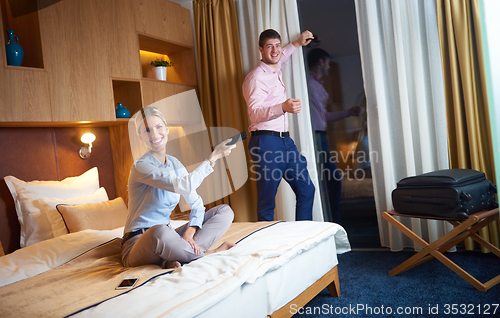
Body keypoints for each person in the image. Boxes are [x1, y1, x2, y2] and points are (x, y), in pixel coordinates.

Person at [121, 106, 236, 269]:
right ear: (140, 137)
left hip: (169, 238)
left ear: (167, 130)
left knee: (224, 211)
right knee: (158, 232)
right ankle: (208, 253)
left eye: (159, 127)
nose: (154, 134)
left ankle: (178, 256)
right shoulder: (141, 167)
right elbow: (185, 184)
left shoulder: (174, 163)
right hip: (139, 242)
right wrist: (214, 157)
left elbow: (196, 204)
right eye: (147, 130)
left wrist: (189, 234)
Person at [243, 29, 315, 222]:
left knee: (307, 189)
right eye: (269, 46)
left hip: (285, 142)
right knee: (267, 202)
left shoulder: (274, 66)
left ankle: (302, 238)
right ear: (261, 50)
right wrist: (282, 107)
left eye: (277, 45)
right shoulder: (256, 78)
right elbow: (254, 113)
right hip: (266, 142)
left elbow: (281, 55)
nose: (275, 50)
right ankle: (268, 248)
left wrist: (298, 43)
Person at [307, 48, 365, 223]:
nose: (329, 67)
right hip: (315, 136)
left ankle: (332, 220)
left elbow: (323, 116)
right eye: (328, 63)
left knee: (330, 179)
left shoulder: (317, 85)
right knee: (332, 178)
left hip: (321, 136)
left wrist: (349, 112)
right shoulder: (307, 84)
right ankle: (333, 221)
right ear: (321, 62)